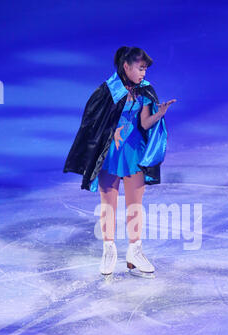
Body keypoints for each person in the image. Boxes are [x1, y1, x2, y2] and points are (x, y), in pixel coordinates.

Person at [63, 46, 176, 278]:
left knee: (135, 204)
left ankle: (135, 252)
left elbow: (144, 124)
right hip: (111, 153)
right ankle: (109, 250)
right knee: (109, 204)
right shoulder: (108, 91)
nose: (143, 73)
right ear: (126, 66)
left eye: (145, 69)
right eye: (140, 68)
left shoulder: (145, 91)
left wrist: (159, 114)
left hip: (134, 153)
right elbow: (93, 123)